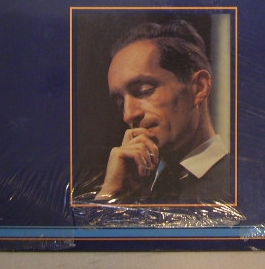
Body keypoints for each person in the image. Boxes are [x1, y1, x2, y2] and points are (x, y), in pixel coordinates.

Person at [94, 19, 231, 204]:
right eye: (120, 103)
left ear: (199, 88)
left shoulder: (239, 184)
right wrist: (111, 195)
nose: (129, 115)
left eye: (144, 91)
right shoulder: (134, 188)